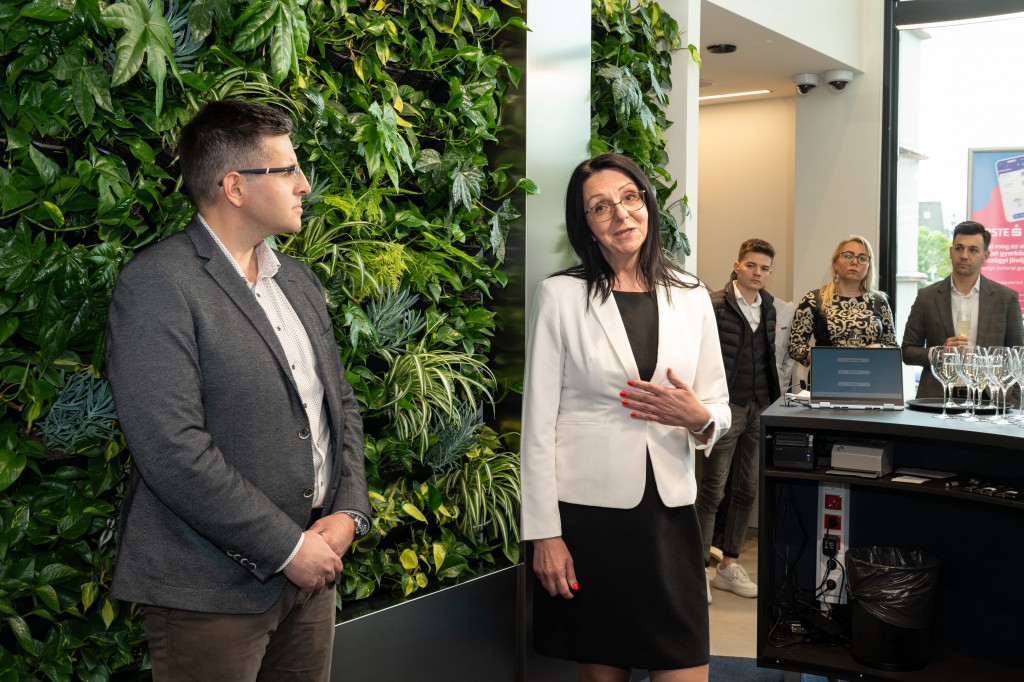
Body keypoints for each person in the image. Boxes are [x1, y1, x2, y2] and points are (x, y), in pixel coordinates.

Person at [105, 99, 370, 681]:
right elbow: (172, 449)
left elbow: (340, 404)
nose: (304, 185)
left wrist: (349, 510)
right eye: (288, 169)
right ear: (235, 186)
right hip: (209, 590)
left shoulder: (297, 280)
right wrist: (286, 548)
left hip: (314, 573)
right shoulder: (158, 284)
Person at [520, 152, 731, 681]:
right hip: (591, 519)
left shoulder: (691, 295)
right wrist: (544, 535)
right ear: (584, 225)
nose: (620, 214)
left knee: (686, 664)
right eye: (600, 206)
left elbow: (718, 405)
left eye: (630, 197)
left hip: (670, 513)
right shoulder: (560, 296)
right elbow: (538, 426)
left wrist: (699, 418)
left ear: (648, 204)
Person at [697, 239, 781, 602]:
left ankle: (728, 566)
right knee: (713, 490)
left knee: (747, 489)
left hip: (759, 406)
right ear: (737, 266)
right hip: (726, 407)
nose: (757, 273)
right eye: (751, 265)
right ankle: (699, 568)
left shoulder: (770, 306)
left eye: (764, 268)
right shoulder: (715, 304)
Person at [902, 220, 1024, 399]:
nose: (964, 255)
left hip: (989, 399)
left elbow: (1018, 357)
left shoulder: (1006, 299)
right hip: (937, 399)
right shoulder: (926, 297)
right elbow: (907, 351)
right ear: (951, 252)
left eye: (973, 250)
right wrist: (938, 353)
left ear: (985, 256)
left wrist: (1014, 402)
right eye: (959, 248)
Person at [788, 235, 897, 369]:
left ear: (869, 267)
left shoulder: (880, 301)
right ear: (835, 264)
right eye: (848, 256)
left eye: (862, 258)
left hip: (870, 376)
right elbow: (794, 346)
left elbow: (893, 347)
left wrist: (879, 348)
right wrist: (826, 357)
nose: (854, 262)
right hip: (828, 375)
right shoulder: (813, 299)